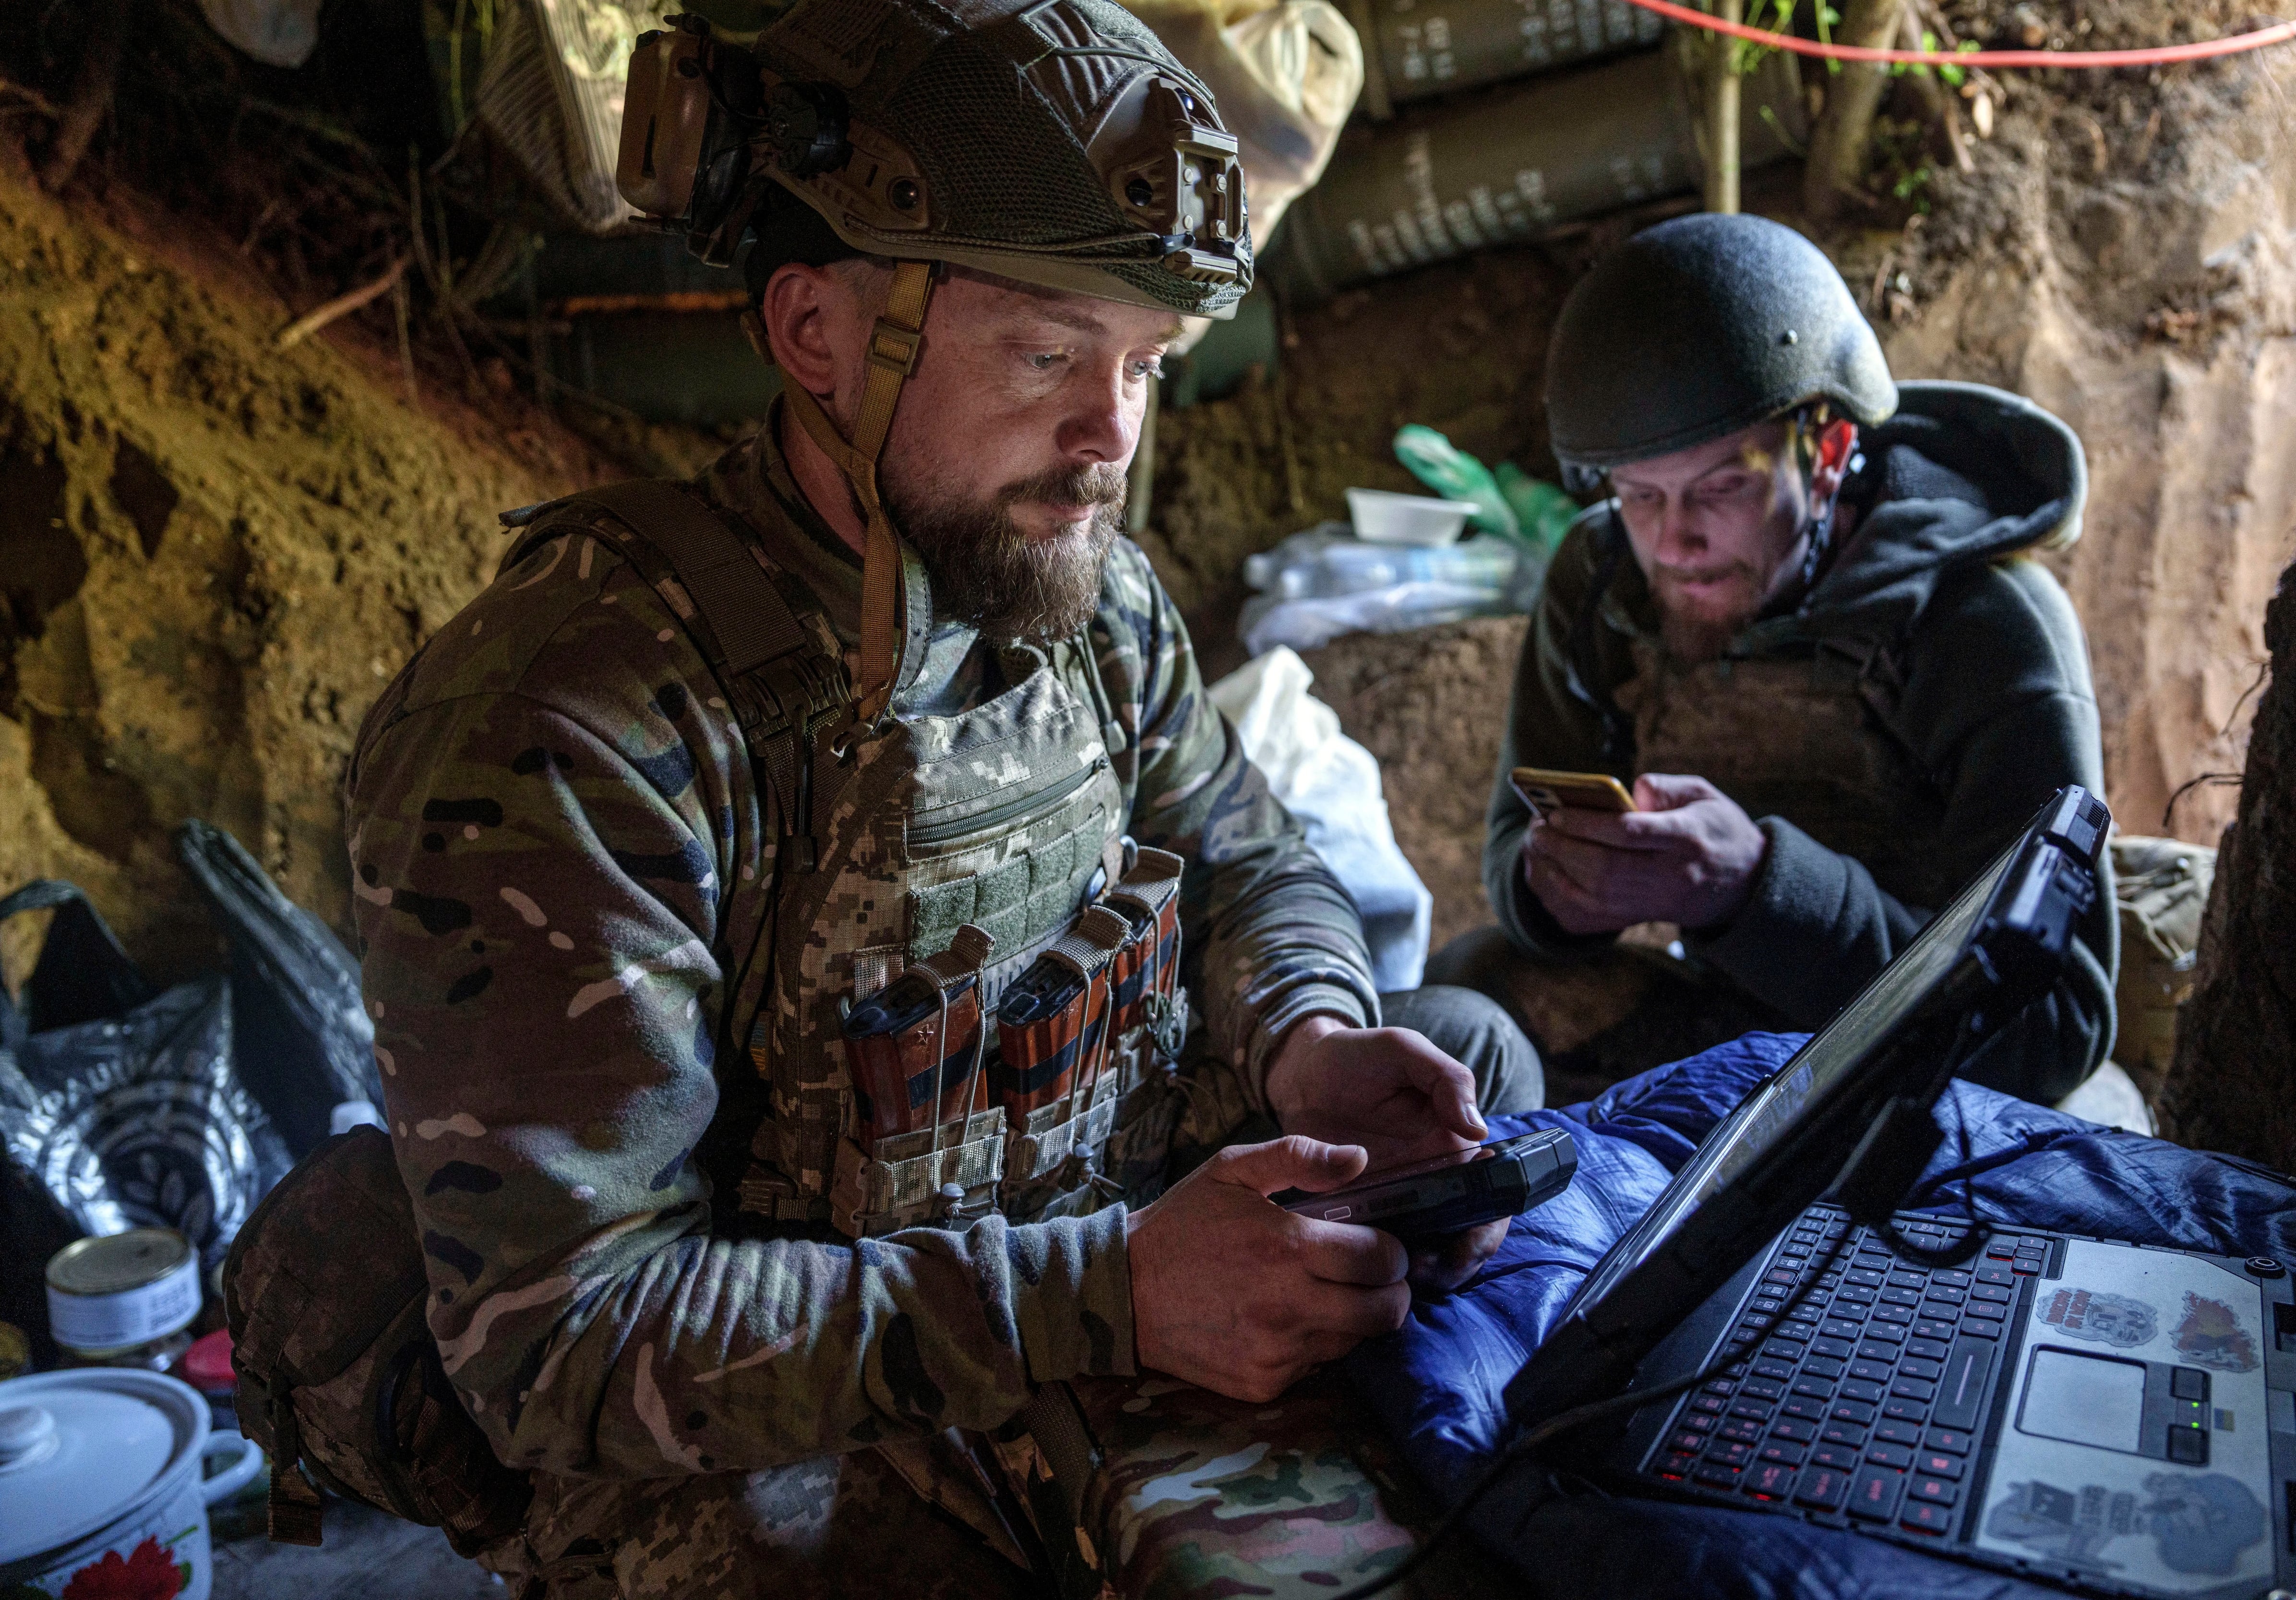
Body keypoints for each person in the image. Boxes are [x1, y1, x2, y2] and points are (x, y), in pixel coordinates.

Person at [344, 5, 1537, 1595]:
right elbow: (562, 1341)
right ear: (816, 333)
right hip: (784, 1389)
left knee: (1461, 1051)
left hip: (1076, 1236)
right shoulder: (578, 724)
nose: (1109, 440)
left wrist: (1311, 1037)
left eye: (1142, 364)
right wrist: (1110, 1293)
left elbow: (1247, 855)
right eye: (1048, 353)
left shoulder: (1086, 592)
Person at [1431, 212, 2116, 1104]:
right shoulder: (1601, 584)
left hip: (1929, 1076)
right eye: (1640, 496)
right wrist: (1554, 887)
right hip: (1727, 1025)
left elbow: (2057, 1022)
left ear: (1827, 453)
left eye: (1722, 487)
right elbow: (1515, 840)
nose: (1674, 541)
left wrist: (1756, 888)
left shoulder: (1981, 625)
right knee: (1473, 993)